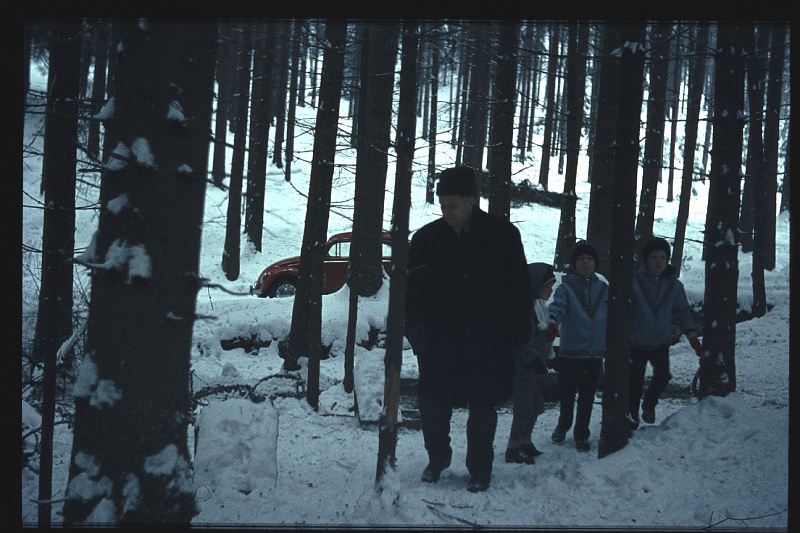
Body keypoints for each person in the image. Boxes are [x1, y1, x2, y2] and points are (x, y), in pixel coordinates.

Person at [405, 166, 532, 492]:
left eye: (453, 205)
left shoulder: (503, 236)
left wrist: (519, 330)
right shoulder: (426, 239)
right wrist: (413, 327)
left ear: (472, 201)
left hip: (488, 340)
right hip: (440, 341)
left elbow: (519, 287)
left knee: (482, 408)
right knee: (433, 405)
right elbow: (410, 291)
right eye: (442, 204)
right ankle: (438, 458)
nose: (447, 211)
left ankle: (480, 469)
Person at [628, 237, 704, 429]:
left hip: (660, 342)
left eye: (662, 257)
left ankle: (649, 404)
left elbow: (682, 311)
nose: (658, 262)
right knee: (634, 381)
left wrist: (691, 334)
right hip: (636, 341)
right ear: (646, 259)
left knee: (663, 375)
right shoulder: (635, 282)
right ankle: (631, 416)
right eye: (654, 257)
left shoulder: (675, 286)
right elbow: (626, 308)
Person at [547, 240, 606, 452]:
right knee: (567, 395)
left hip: (594, 354)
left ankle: (581, 433)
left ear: (595, 263)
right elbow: (558, 307)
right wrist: (553, 320)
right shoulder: (566, 288)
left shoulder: (604, 289)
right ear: (575, 263)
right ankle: (564, 424)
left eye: (589, 259)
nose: (585, 262)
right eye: (581, 258)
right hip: (570, 353)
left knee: (587, 397)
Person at [505, 262, 556, 465]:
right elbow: (523, 340)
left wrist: (547, 355)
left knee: (536, 407)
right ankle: (513, 447)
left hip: (533, 369)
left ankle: (525, 440)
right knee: (524, 409)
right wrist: (534, 359)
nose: (551, 291)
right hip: (522, 369)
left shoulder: (540, 307)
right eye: (548, 286)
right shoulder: (525, 310)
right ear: (536, 286)